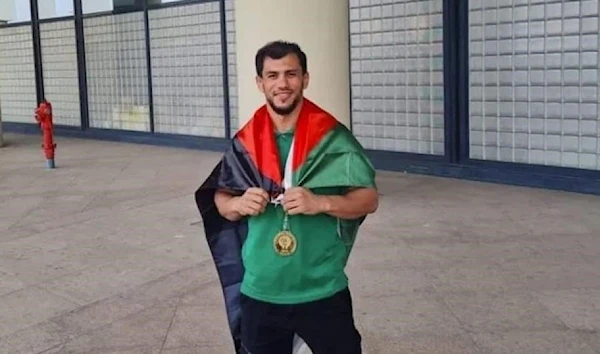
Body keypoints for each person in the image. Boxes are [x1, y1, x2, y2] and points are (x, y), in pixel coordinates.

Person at [195, 40, 378, 354]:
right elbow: (220, 199)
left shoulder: (333, 138)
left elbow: (368, 199)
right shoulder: (246, 142)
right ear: (260, 83)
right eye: (273, 75)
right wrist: (238, 204)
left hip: (323, 289)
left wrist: (321, 203)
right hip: (261, 291)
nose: (282, 83)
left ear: (305, 79)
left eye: (291, 74)